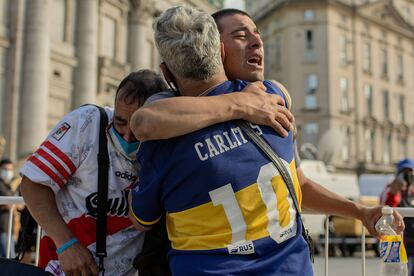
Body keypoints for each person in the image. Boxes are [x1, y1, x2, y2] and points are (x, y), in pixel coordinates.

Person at [130, 8, 403, 238]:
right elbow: (145, 121)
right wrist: (241, 103)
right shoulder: (266, 100)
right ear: (217, 50)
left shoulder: (273, 101)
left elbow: (297, 184)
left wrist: (360, 212)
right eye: (240, 35)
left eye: (257, 33)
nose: (257, 42)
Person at [130, 6, 315, 275]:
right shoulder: (274, 99)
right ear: (221, 52)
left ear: (166, 74)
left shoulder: (162, 140)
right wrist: (241, 102)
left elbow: (142, 219)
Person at [19, 70, 169, 276]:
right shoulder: (87, 122)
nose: (127, 136)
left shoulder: (165, 142)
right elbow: (32, 185)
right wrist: (66, 245)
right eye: (120, 122)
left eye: (137, 125)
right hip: (65, 268)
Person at [380, 158, 414, 276]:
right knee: (393, 273)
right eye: (404, 173)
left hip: (411, 241)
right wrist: (395, 191)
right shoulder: (391, 189)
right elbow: (385, 208)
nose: (407, 177)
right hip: (394, 241)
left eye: (410, 173)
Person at [0, 158, 16, 257]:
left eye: (10, 170)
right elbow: (9, 204)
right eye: (5, 169)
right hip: (3, 228)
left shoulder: (8, 185)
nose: (8, 172)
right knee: (9, 259)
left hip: (8, 228)